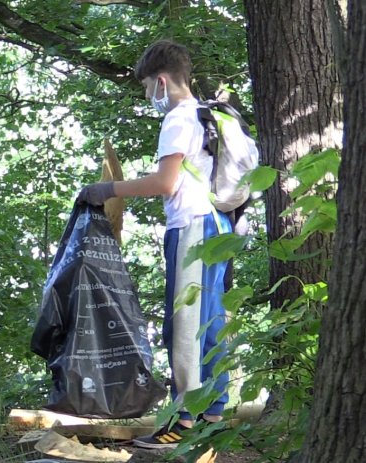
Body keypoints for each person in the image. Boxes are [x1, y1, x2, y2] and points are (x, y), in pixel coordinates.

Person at [76, 40, 231, 449]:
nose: (149, 96)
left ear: (161, 81)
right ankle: (214, 412)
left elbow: (165, 183)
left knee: (185, 326)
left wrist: (106, 188)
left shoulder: (180, 118)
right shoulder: (205, 115)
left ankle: (185, 421)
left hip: (193, 228)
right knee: (210, 321)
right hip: (217, 226)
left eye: (147, 87)